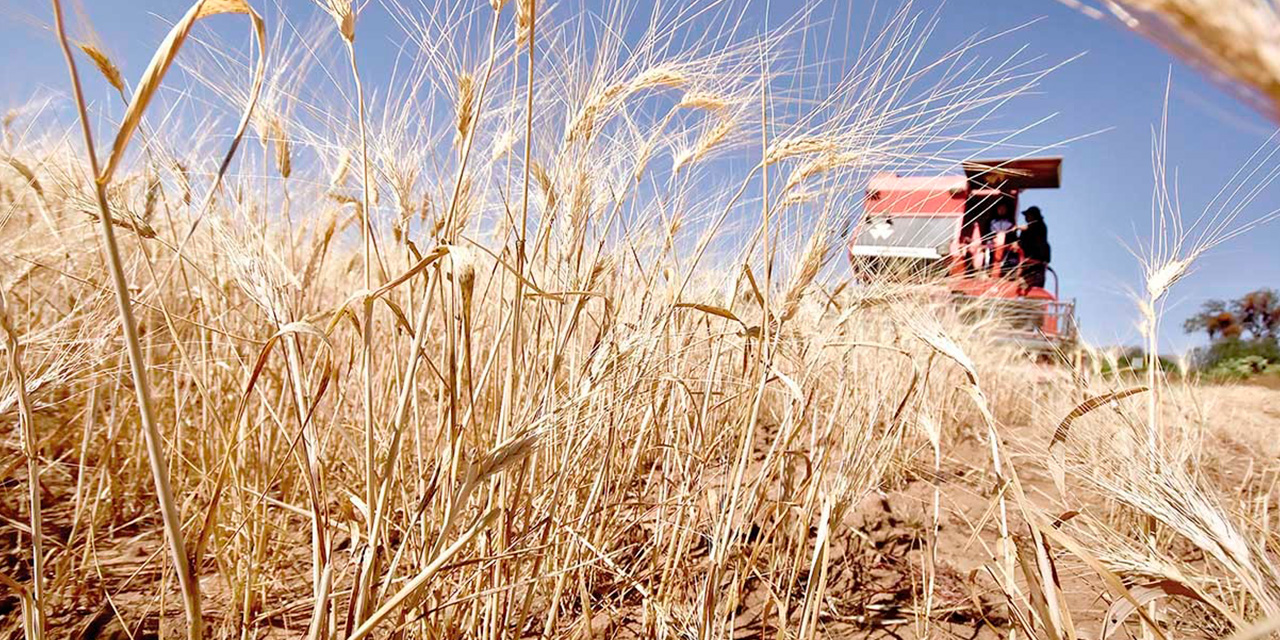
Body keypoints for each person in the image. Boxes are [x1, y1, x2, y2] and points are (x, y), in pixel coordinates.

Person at [1017, 206, 1050, 289]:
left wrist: (1024, 229)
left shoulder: (1040, 227)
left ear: (1035, 216)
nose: (1026, 218)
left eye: (1028, 215)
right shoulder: (1026, 230)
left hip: (1037, 257)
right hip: (1026, 258)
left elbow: (1035, 232)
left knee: (1036, 278)